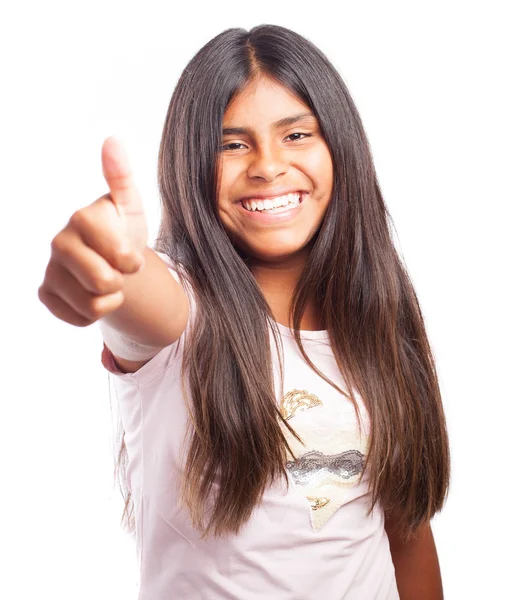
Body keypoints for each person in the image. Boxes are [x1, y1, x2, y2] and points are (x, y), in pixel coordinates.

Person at [38, 24, 450, 600]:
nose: (268, 165)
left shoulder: (380, 319)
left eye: (296, 135)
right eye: (233, 145)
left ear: (340, 146)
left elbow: (405, 532)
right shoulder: (184, 315)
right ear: (190, 165)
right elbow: (141, 296)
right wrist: (111, 265)